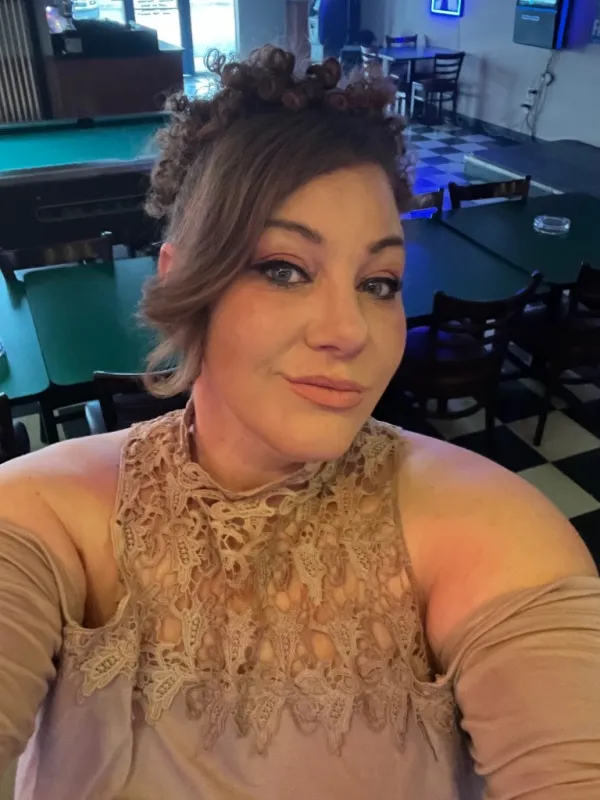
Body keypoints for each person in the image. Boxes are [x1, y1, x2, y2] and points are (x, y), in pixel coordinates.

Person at [0, 47, 599, 800]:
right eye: (284, 269)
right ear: (183, 279)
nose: (349, 331)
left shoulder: (491, 526)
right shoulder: (45, 512)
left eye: (378, 282)